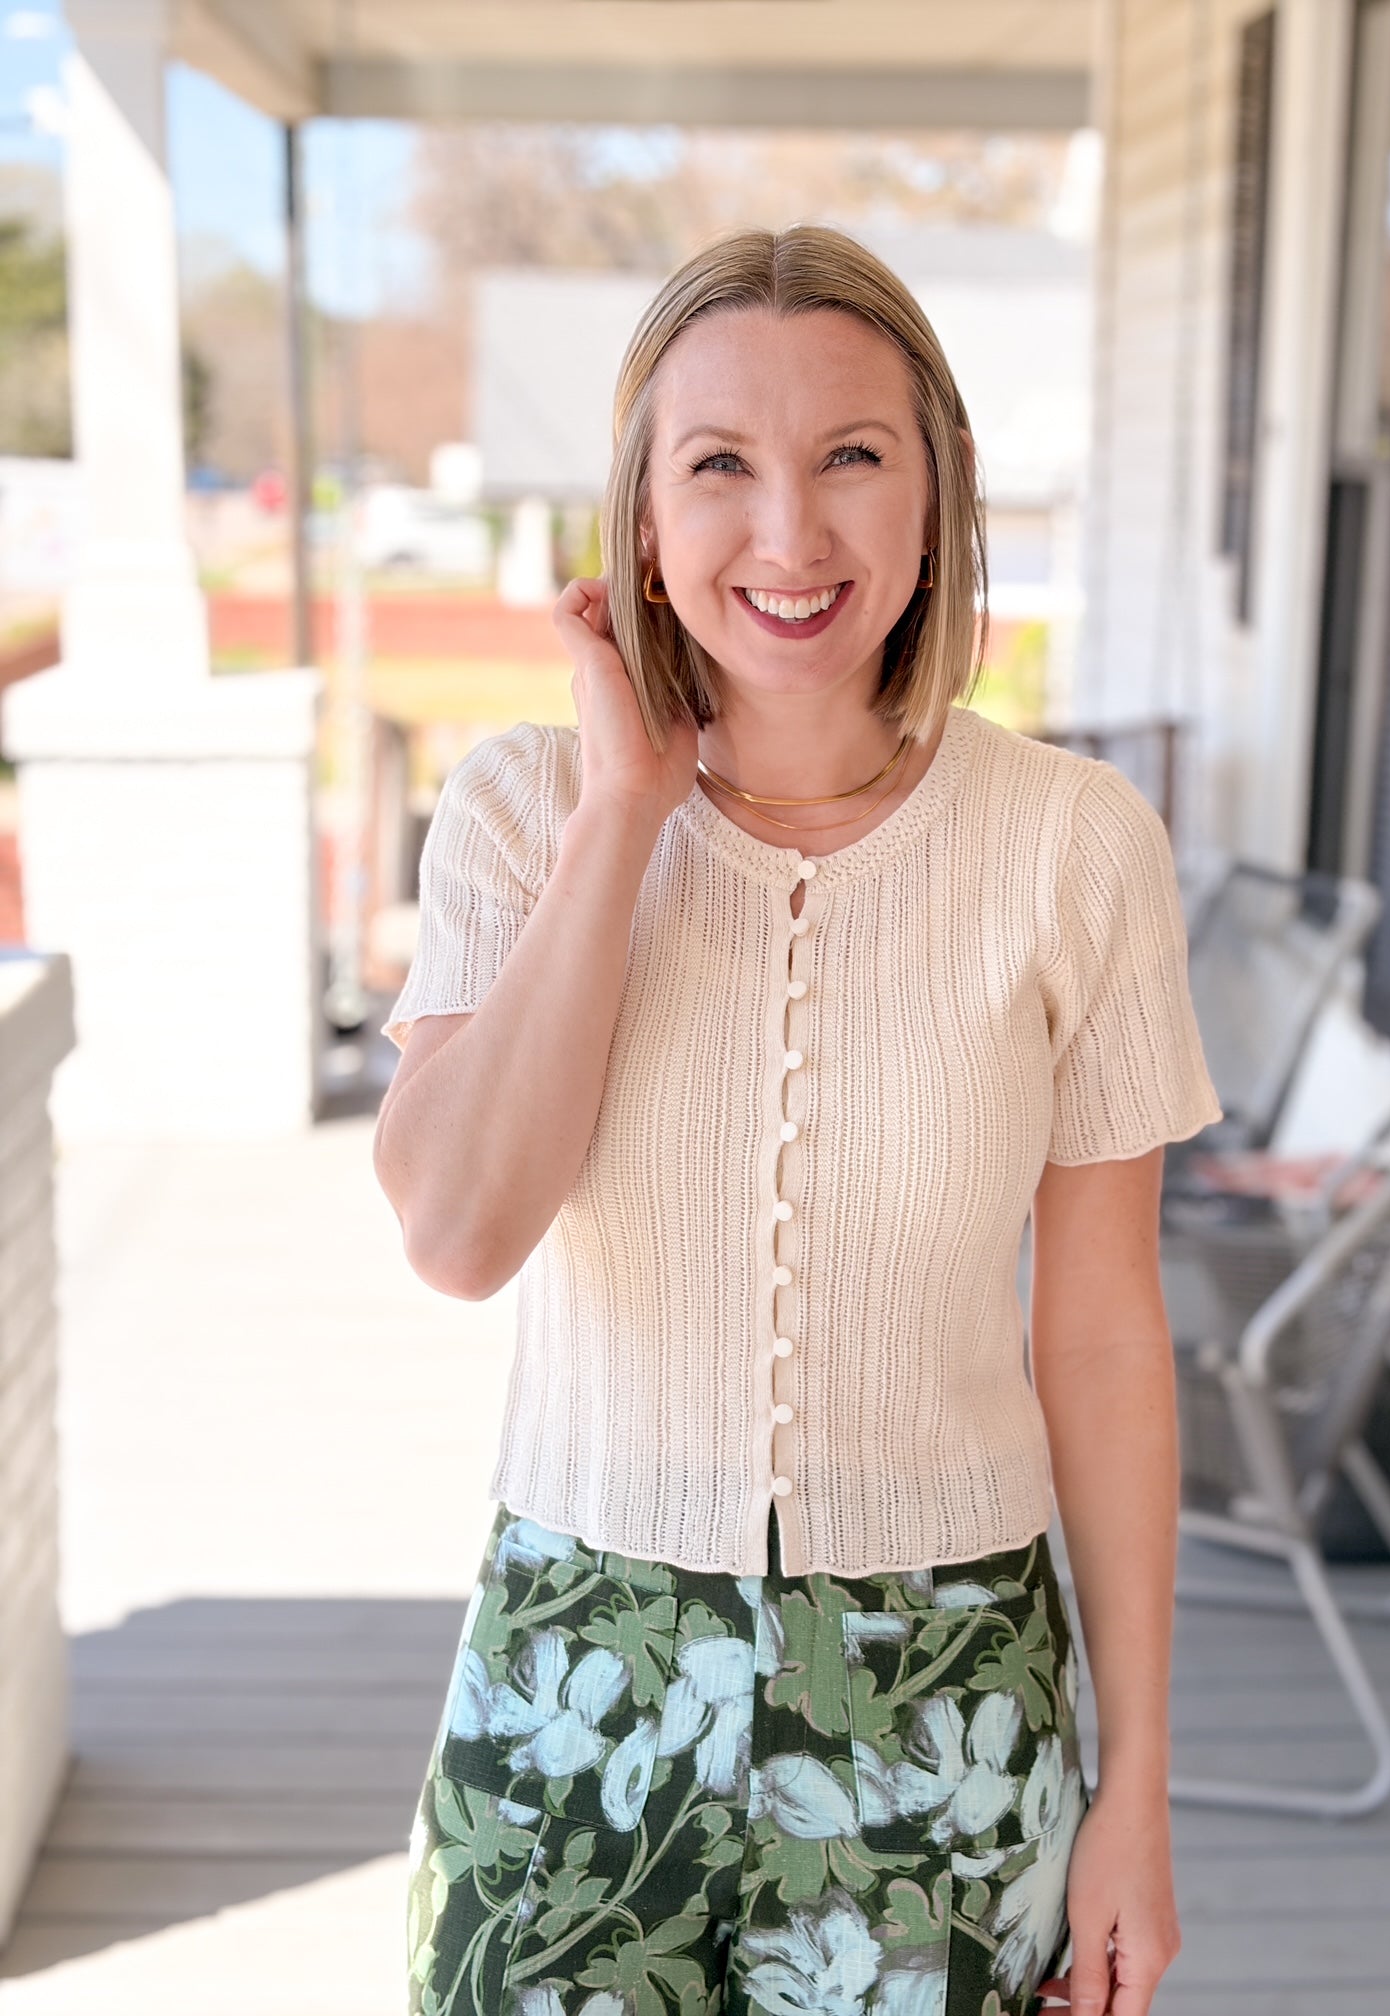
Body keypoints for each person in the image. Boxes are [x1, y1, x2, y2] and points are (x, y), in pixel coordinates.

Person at [374, 224, 1223, 2016]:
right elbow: (456, 1233)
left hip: (952, 1693)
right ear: (643, 513)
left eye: (851, 454)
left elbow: (1102, 1333)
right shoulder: (523, 813)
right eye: (719, 466)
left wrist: (1138, 1785)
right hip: (575, 1676)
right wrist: (626, 812)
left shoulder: (1074, 848)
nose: (789, 533)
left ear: (940, 487)